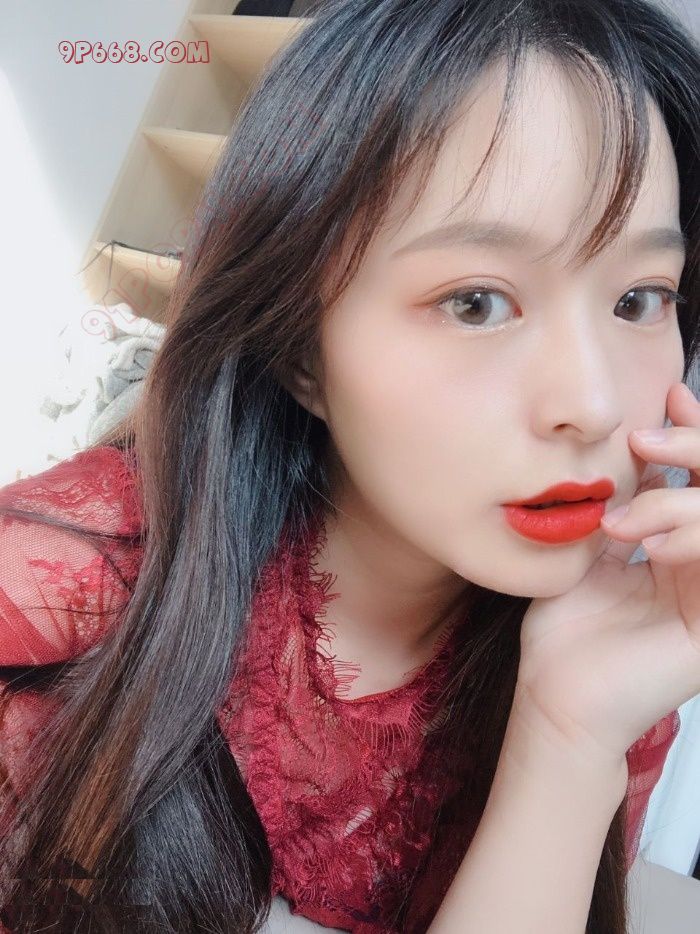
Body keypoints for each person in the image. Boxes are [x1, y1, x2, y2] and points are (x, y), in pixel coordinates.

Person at [0, 0, 699, 931]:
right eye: (477, 303)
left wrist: (568, 738)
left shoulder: (610, 666)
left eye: (640, 299)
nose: (597, 404)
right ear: (302, 349)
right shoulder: (48, 597)